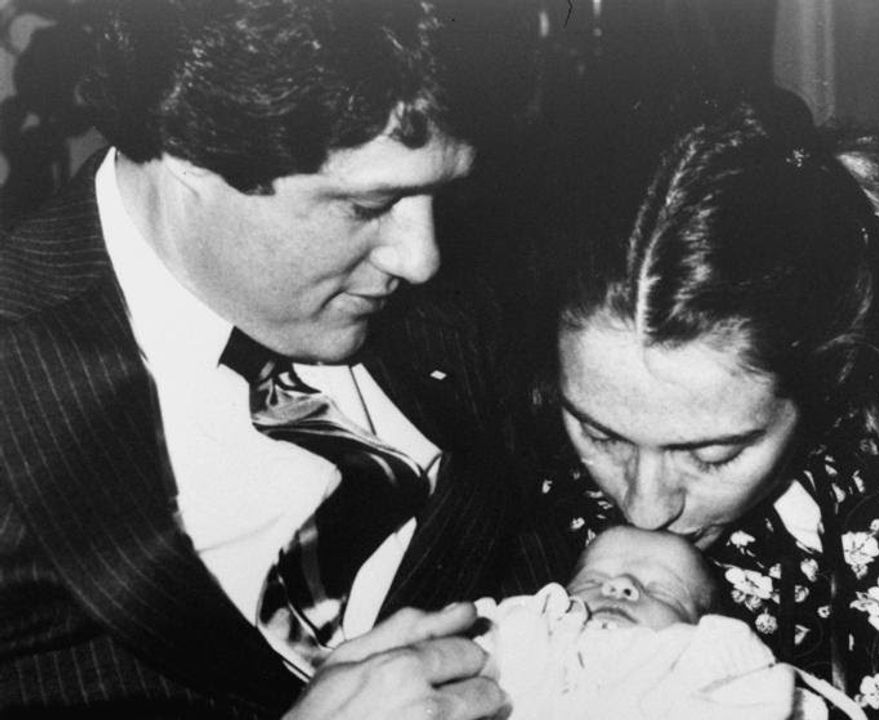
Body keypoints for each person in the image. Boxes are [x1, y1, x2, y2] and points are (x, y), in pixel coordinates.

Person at [0, 1, 568, 717]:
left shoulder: (481, 283)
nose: (422, 258)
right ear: (188, 152)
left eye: (438, 193)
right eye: (367, 206)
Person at [537, 90, 879, 719]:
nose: (643, 507)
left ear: (832, 376)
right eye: (598, 435)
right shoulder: (536, 493)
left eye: (712, 455)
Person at [476, 526, 866, 720]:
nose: (620, 585)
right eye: (593, 581)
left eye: (661, 593)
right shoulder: (529, 635)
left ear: (706, 627)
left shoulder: (704, 671)